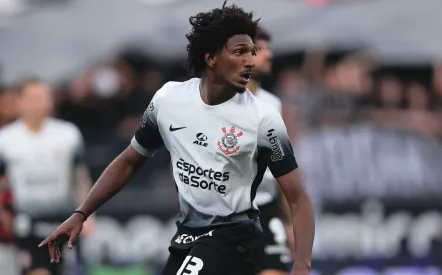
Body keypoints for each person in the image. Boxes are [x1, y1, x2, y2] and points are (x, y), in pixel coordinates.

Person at [39, 2, 315, 275]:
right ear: (211, 57)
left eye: (252, 52)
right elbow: (129, 161)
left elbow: (298, 197)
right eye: (240, 52)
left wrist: (301, 264)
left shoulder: (263, 117)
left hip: (236, 238)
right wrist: (81, 213)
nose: (250, 61)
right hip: (188, 236)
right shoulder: (168, 99)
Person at [0, 79, 93, 275]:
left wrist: (88, 213)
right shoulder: (6, 139)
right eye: (33, 97)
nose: (39, 103)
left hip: (64, 219)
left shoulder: (68, 135)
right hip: (26, 221)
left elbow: (80, 177)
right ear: (21, 102)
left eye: (44, 97)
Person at [247, 28, 294, 275]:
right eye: (261, 49)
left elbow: (283, 168)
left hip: (266, 209)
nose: (270, 55)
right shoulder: (214, 102)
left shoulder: (273, 104)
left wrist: (289, 222)